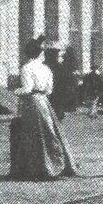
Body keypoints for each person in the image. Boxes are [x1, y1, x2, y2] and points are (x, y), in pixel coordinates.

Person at [10, 37, 77, 180]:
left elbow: (27, 89)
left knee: (32, 134)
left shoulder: (26, 68)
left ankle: (36, 168)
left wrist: (16, 91)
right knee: (50, 132)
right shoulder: (45, 68)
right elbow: (49, 90)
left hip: (32, 102)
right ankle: (57, 164)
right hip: (44, 101)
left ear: (26, 53)